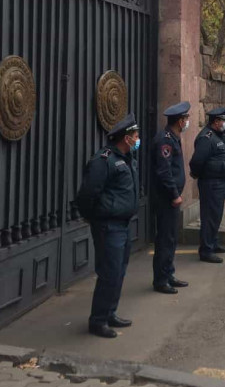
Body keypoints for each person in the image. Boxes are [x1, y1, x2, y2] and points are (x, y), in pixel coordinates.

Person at [76, 113, 141, 338]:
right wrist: (92, 216)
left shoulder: (127, 158)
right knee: (109, 273)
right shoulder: (103, 160)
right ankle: (98, 320)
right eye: (135, 136)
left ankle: (110, 312)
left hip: (123, 224)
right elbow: (87, 194)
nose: (137, 139)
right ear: (126, 138)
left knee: (119, 271)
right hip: (108, 225)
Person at [151, 101, 191, 294]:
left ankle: (168, 273)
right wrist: (174, 194)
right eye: (186, 118)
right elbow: (164, 171)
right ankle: (161, 280)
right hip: (166, 198)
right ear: (180, 121)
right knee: (165, 239)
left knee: (171, 238)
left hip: (171, 198)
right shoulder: (165, 140)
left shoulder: (173, 137)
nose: (187, 121)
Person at [190, 107, 225, 263]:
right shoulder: (206, 137)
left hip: (219, 182)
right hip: (211, 183)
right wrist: (200, 174)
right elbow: (196, 162)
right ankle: (206, 250)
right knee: (209, 217)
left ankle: (213, 243)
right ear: (216, 122)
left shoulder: (219, 135)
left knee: (216, 215)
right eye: (223, 120)